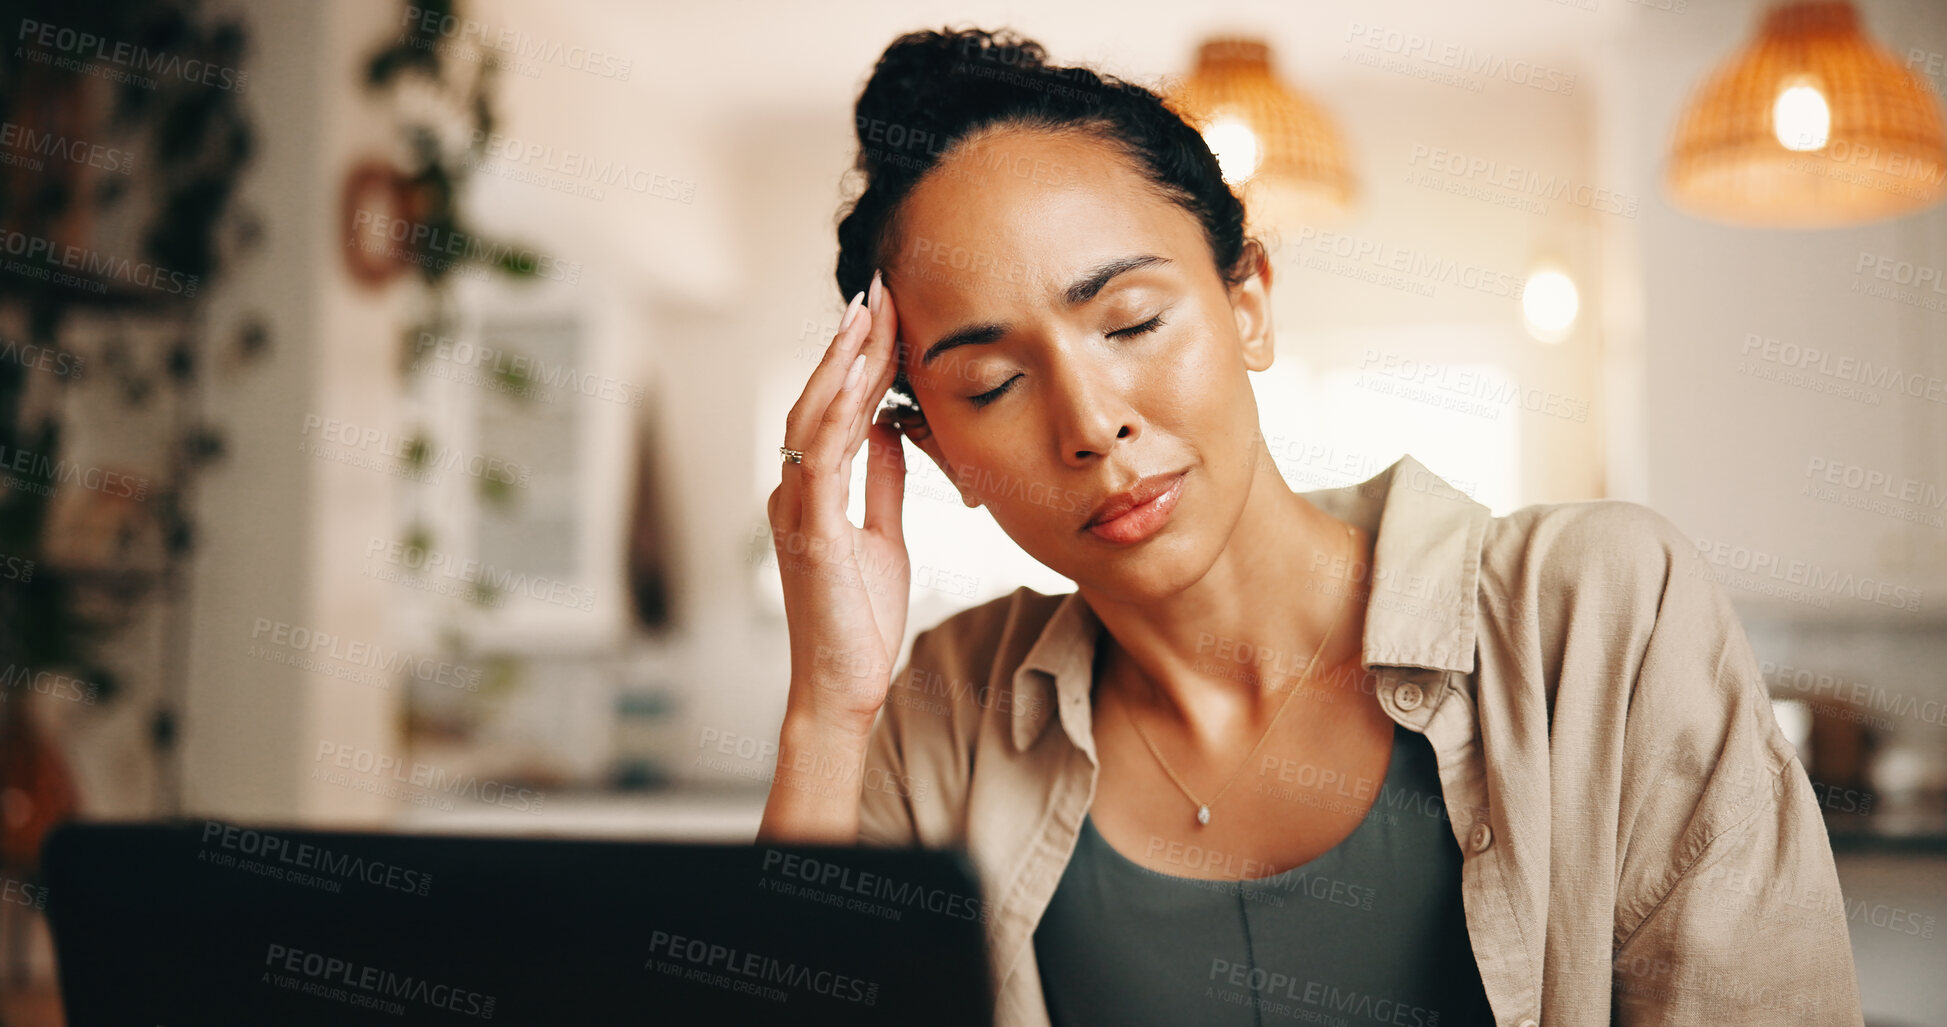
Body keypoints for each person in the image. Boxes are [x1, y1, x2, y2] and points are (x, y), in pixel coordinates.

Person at [757, 25, 1863, 1027]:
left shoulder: (1603, 614)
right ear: (939, 450)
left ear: (1249, 302)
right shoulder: (943, 715)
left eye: (1132, 320)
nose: (1094, 424)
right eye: (994, 384)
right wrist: (824, 708)